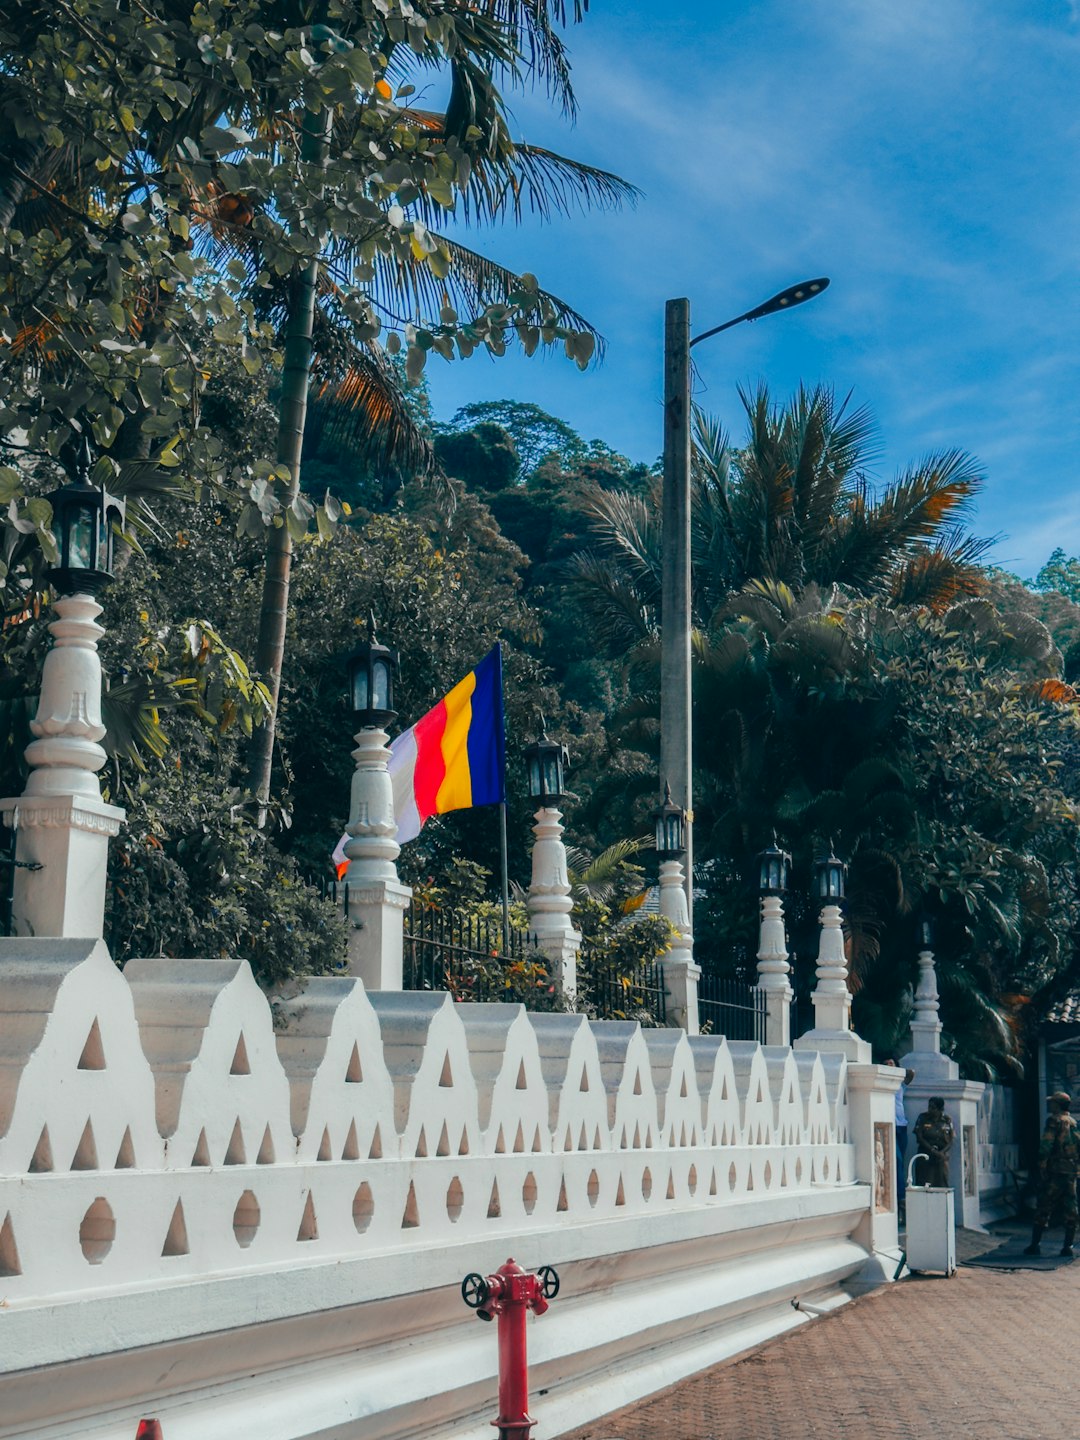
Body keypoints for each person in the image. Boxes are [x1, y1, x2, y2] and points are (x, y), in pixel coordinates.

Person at [1025, 1092, 1080, 1257]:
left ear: (1058, 1104)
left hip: (1054, 1171)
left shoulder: (1053, 1121)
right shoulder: (1073, 1122)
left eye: (1052, 1103)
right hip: (1070, 1171)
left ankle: (1035, 1245)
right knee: (1071, 1208)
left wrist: (1041, 1165)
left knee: (1044, 1206)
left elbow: (1046, 1144)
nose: (1050, 1105)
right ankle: (1067, 1246)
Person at [886, 1059, 915, 1220]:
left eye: (891, 1063)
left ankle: (901, 1201)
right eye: (886, 1064)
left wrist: (896, 1071)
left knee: (901, 1162)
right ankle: (900, 1196)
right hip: (888, 1125)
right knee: (896, 1159)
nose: (889, 1065)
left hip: (901, 1125)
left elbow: (912, 1073)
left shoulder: (900, 1084)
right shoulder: (882, 1081)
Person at [913, 1096, 954, 1187]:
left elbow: (951, 1140)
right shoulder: (923, 1118)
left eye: (933, 1108)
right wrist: (933, 1151)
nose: (930, 1110)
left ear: (940, 1109)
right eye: (929, 1107)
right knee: (924, 1183)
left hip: (941, 1157)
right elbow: (919, 1137)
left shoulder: (947, 1121)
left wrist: (941, 1153)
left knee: (942, 1184)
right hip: (925, 1155)